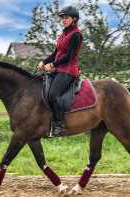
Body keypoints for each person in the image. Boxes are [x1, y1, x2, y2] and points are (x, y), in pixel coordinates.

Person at [37, 6, 83, 136]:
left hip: (68, 71)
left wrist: (52, 65)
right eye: (62, 18)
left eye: (66, 18)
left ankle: (59, 125)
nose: (63, 20)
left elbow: (68, 56)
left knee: (53, 95)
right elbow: (56, 53)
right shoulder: (63, 34)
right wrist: (44, 62)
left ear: (74, 19)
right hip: (58, 69)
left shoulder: (76, 35)